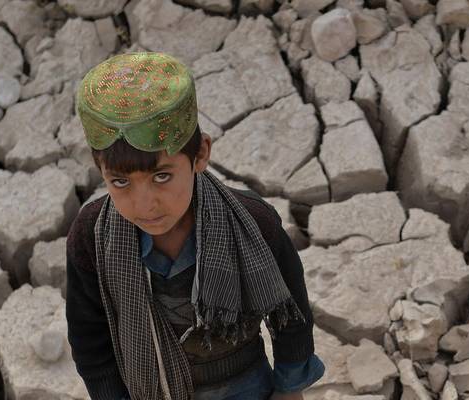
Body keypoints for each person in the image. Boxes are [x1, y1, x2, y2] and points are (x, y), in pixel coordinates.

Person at [65, 52, 324, 400]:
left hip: (247, 387)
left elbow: (290, 314)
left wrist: (290, 389)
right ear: (100, 171)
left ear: (200, 154)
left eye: (162, 176)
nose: (144, 205)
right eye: (121, 182)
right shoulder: (91, 237)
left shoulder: (251, 222)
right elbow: (90, 338)